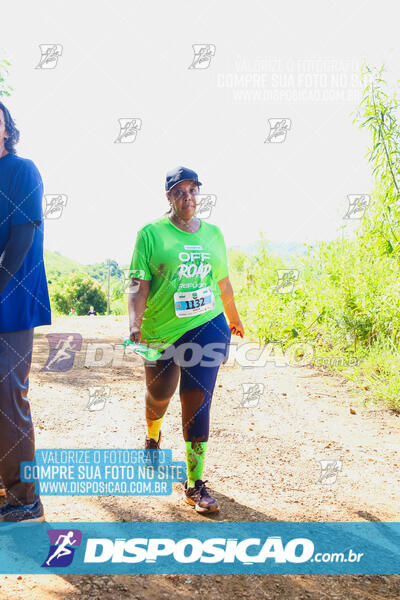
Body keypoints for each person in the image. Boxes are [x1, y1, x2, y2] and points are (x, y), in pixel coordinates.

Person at [128, 165, 244, 514]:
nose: (187, 197)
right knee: (158, 395)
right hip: (161, 330)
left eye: (193, 190)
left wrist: (233, 318)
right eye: (179, 191)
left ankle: (195, 484)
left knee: (197, 400)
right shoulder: (150, 233)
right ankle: (152, 436)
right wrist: (134, 322)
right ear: (169, 197)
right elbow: (138, 282)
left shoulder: (213, 235)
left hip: (207, 324)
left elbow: (222, 280)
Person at [0, 102, 51, 523]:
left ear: (6, 128)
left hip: (12, 303)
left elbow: (20, 240)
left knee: (8, 398)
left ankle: (25, 498)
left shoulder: (22, 170)